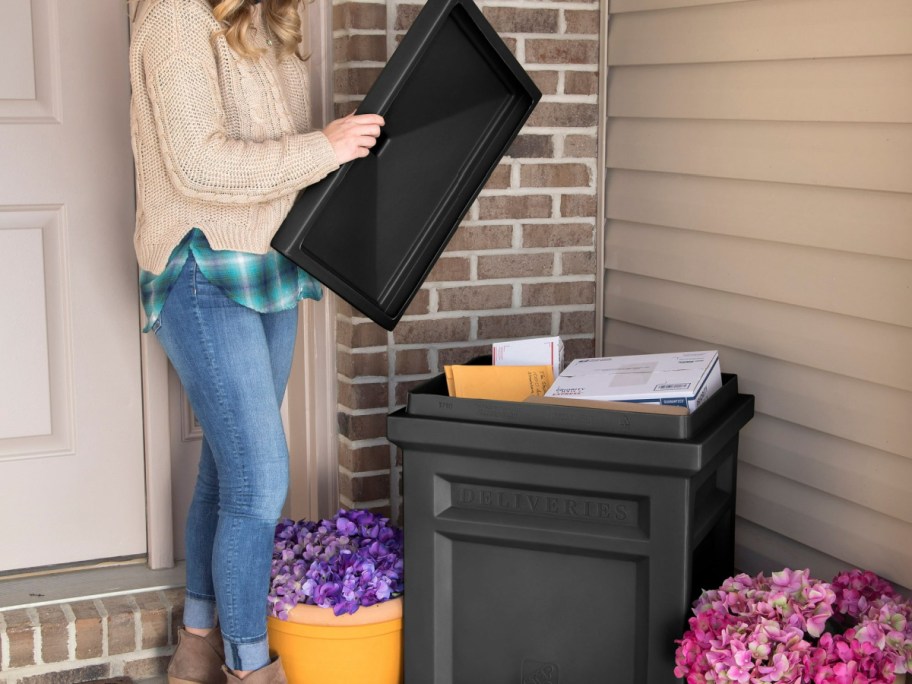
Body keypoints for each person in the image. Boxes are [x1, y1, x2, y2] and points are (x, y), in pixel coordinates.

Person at [128, 0, 384, 681]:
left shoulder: (273, 16)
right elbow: (197, 166)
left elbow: (286, 164)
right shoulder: (175, 17)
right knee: (261, 478)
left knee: (229, 465)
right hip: (202, 265)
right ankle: (250, 668)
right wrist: (323, 148)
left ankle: (195, 647)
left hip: (271, 261)